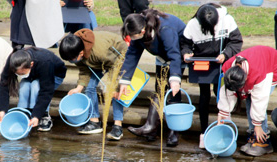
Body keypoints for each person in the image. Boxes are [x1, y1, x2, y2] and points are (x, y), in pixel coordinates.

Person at [118, 9, 186, 146]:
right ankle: (152, 128)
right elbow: (132, 55)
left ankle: (174, 131)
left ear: (142, 31)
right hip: (162, 56)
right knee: (159, 89)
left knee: (172, 92)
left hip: (178, 52)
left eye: (132, 36)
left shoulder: (165, 29)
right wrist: (124, 81)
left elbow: (174, 55)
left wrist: (175, 79)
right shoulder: (138, 30)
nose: (131, 38)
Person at [180, 3, 243, 148]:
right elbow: (184, 44)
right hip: (202, 64)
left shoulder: (227, 20)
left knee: (220, 92)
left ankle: (226, 126)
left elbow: (236, 41)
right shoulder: (192, 25)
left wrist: (225, 54)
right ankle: (203, 132)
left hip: (221, 62)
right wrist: (186, 53)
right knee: (204, 96)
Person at [59, 29, 128, 140]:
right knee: (90, 87)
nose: (71, 62)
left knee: (113, 91)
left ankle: (118, 126)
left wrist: (112, 87)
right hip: (98, 62)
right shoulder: (75, 50)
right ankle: (94, 121)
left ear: (81, 53)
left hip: (118, 59)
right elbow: (84, 70)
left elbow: (115, 66)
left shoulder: (100, 51)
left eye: (71, 60)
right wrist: (79, 87)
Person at [217, 46, 277, 157]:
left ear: (245, 79)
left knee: (253, 100)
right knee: (249, 98)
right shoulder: (228, 67)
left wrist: (258, 125)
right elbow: (227, 90)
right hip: (256, 65)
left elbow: (260, 100)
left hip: (271, 67)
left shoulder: (259, 73)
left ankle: (263, 142)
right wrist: (223, 112)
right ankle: (253, 134)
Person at [0, 47, 67, 131]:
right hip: (33, 75)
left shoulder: (45, 61)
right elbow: (4, 84)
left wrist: (37, 115)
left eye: (22, 73)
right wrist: (2, 110)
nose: (20, 75)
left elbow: (46, 91)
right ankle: (23, 113)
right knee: (24, 86)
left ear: (31, 64)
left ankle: (44, 116)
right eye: (17, 74)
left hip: (54, 75)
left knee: (36, 86)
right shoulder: (13, 60)